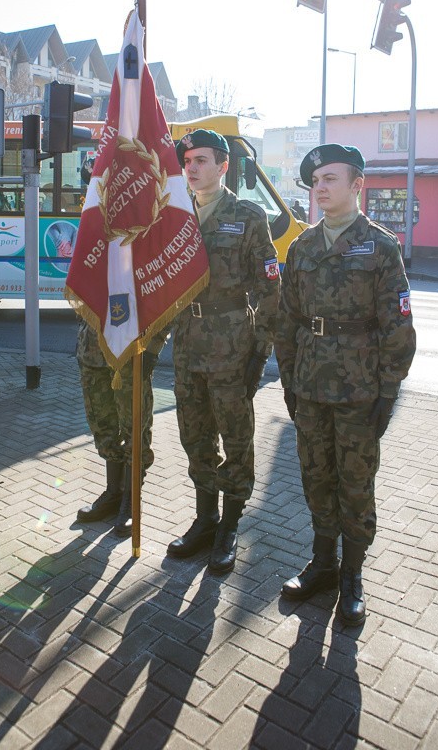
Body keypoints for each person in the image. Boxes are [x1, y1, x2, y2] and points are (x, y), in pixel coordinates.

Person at [275, 143, 416, 625]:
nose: (320, 188)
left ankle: (353, 575)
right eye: (315, 181)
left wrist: (389, 390)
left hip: (360, 390)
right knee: (315, 476)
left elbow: (397, 324)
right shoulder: (301, 246)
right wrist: (290, 382)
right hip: (311, 385)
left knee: (355, 483)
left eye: (330, 179)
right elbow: (288, 319)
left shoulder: (380, 245)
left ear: (357, 185)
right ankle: (324, 564)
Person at [167, 129, 280, 574]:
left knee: (235, 437)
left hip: (232, 344)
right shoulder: (174, 215)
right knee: (194, 435)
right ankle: (205, 520)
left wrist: (261, 350)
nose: (191, 168)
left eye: (201, 160)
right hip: (188, 343)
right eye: (188, 160)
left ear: (223, 166)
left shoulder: (247, 216)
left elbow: (270, 289)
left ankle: (230, 526)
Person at [75, 321, 167, 537]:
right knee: (102, 424)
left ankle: (131, 499)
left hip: (130, 353)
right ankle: (114, 492)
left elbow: (163, 302)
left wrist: (152, 350)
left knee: (135, 428)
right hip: (92, 352)